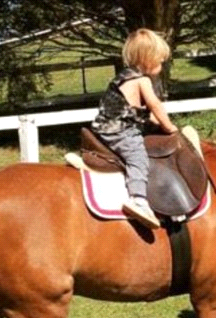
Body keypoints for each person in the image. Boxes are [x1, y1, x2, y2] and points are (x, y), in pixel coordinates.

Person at [91, 28, 178, 229]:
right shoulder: (142, 81)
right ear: (147, 58)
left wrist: (154, 125)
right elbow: (156, 106)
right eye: (159, 58)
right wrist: (170, 127)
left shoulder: (123, 76)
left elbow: (142, 113)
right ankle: (138, 198)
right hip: (118, 130)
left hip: (110, 125)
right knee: (138, 157)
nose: (162, 63)